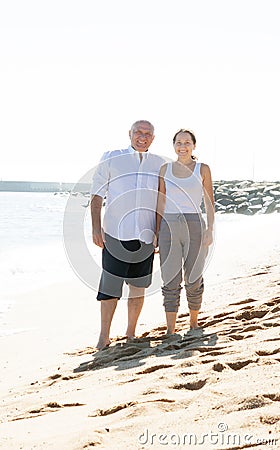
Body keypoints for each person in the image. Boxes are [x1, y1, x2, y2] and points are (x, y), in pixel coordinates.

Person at [91, 120, 164, 350]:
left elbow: (161, 201)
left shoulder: (159, 164)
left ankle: (131, 333)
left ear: (153, 138)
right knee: (110, 287)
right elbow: (96, 195)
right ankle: (104, 337)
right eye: (138, 132)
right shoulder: (112, 157)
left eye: (147, 134)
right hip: (115, 233)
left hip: (145, 234)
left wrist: (159, 231)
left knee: (138, 286)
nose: (142, 137)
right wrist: (95, 227)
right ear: (129, 134)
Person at [155, 129, 215, 334]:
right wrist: (156, 232)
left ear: (194, 145)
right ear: (173, 146)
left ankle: (193, 322)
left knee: (194, 276)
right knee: (170, 277)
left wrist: (210, 229)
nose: (182, 146)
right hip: (168, 227)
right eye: (178, 143)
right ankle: (170, 329)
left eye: (187, 142)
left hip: (195, 225)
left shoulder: (203, 168)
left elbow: (209, 201)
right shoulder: (165, 169)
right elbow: (160, 202)